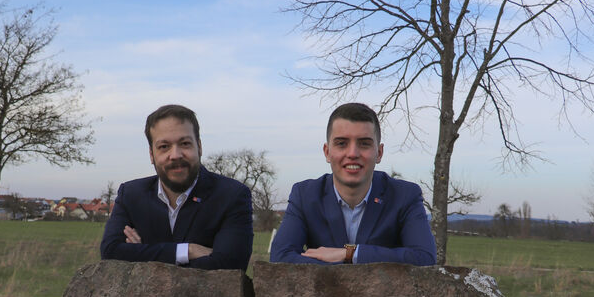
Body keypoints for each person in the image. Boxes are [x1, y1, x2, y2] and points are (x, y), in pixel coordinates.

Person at [270, 102, 436, 266]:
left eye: (364, 143)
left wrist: (350, 254)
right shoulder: (305, 195)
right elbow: (280, 257)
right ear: (327, 152)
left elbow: (424, 258)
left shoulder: (405, 195)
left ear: (379, 153)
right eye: (341, 143)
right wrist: (342, 269)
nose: (352, 153)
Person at [100, 104, 253, 269]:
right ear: (152, 154)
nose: (175, 155)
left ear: (199, 147)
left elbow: (229, 265)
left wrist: (140, 255)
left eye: (185, 143)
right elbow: (111, 252)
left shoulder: (232, 196)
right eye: (164, 147)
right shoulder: (130, 195)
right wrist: (188, 251)